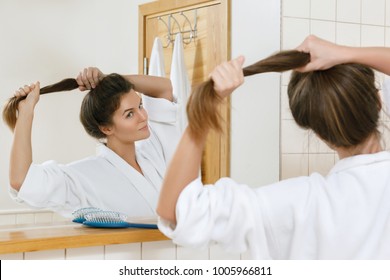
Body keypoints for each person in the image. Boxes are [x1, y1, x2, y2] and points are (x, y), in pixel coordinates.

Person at [156, 35, 390, 259]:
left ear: (318, 132)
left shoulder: (297, 204)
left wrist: (207, 104)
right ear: (380, 102)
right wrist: (346, 53)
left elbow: (176, 210)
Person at [6, 68, 180, 217]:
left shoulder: (152, 149)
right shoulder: (82, 177)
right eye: (129, 114)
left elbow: (165, 89)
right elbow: (21, 180)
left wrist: (107, 80)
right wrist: (26, 111)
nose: (143, 117)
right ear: (106, 128)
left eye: (140, 106)